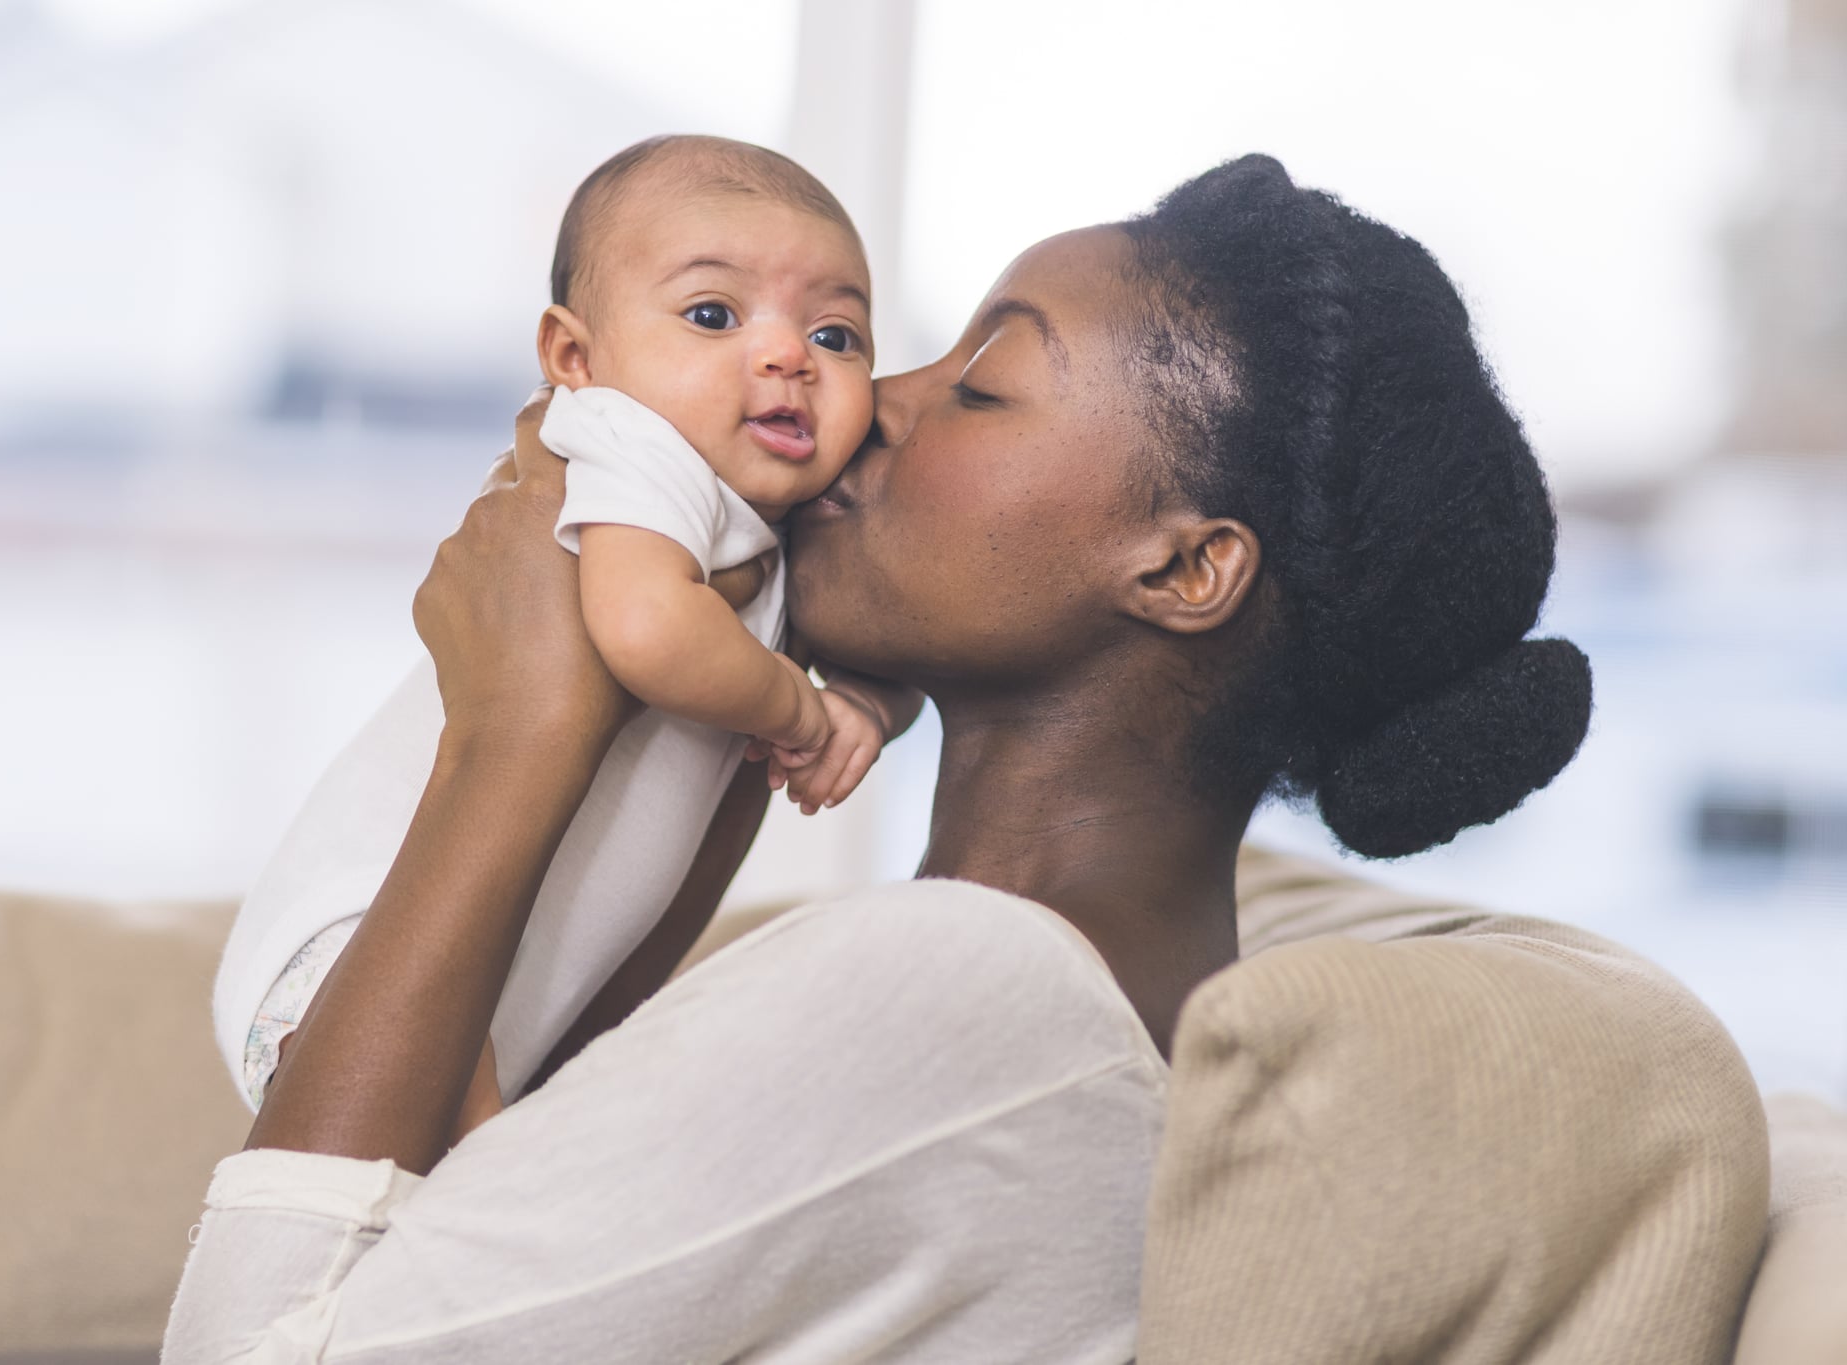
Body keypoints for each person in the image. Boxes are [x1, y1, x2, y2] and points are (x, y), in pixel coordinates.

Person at [164, 154, 1593, 1362]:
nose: (870, 395)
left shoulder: (973, 992)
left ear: (1184, 567)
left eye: (984, 382)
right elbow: (505, 1208)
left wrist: (515, 732)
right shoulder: (1062, 999)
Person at [211, 136, 921, 1116]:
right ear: (574, 359)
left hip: (514, 983)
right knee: (454, 1202)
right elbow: (647, 628)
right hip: (359, 938)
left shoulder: (781, 515)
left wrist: (873, 706)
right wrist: (806, 718)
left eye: (837, 337)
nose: (786, 355)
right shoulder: (629, 442)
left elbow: (910, 632)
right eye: (712, 315)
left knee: (477, 1204)